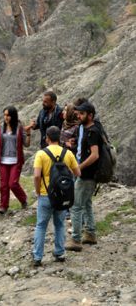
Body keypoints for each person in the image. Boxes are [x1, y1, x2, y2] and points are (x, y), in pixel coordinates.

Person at [33, 126, 80, 266]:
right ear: (59, 137)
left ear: (47, 138)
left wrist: (37, 190)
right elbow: (78, 173)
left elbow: (36, 176)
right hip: (61, 195)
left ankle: (37, 256)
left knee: (41, 225)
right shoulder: (68, 153)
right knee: (59, 224)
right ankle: (60, 253)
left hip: (45, 194)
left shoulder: (41, 154)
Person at [66, 101, 100, 251]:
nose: (78, 116)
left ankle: (76, 240)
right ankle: (90, 234)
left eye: (82, 114)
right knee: (86, 204)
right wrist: (74, 145)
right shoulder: (85, 128)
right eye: (78, 113)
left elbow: (94, 155)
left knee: (76, 206)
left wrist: (79, 167)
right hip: (87, 174)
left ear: (90, 115)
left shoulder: (93, 131)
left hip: (87, 174)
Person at [0, 106, 30, 215]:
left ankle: (23, 200)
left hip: (15, 160)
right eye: (4, 115)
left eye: (8, 115)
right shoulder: (1, 127)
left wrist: (28, 133)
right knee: (3, 185)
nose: (6, 117)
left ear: (13, 116)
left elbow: (26, 144)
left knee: (13, 184)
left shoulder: (19, 127)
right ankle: (3, 206)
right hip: (3, 159)